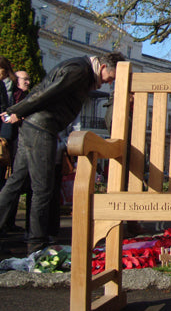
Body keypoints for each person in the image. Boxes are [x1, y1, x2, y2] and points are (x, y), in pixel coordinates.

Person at [0, 52, 125, 254]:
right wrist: (17, 110)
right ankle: (37, 244)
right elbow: (47, 93)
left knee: (16, 182)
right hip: (42, 127)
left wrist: (20, 111)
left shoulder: (79, 68)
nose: (106, 84)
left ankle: (34, 240)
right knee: (43, 188)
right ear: (103, 67)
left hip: (35, 125)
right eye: (110, 78)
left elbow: (44, 91)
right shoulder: (79, 71)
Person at [0, 69, 30, 233]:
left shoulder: (24, 97)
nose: (27, 82)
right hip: (8, 143)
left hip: (17, 144)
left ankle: (9, 222)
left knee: (13, 184)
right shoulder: (12, 97)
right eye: (24, 79)